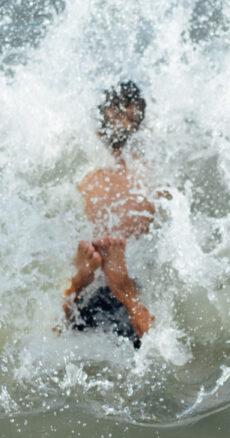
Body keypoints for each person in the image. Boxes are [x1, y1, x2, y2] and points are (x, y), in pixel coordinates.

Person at [63, 81, 158, 347]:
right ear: (103, 112)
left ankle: (98, 284)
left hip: (128, 281)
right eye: (118, 113)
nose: (124, 124)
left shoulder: (145, 176)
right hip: (105, 288)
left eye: (130, 118)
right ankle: (90, 282)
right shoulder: (78, 167)